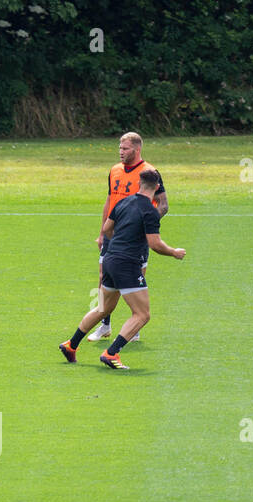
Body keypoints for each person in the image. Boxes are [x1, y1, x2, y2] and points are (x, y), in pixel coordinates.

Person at [58, 169, 185, 371]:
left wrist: (121, 238)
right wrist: (174, 252)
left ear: (138, 184)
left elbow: (107, 229)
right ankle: (111, 353)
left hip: (110, 259)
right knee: (142, 314)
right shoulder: (150, 211)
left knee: (103, 308)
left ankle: (71, 345)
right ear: (158, 187)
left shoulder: (123, 202)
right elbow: (155, 244)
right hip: (127, 265)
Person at [89, 132, 165, 343]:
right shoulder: (114, 170)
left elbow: (164, 204)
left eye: (125, 149)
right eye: (120, 148)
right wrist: (102, 233)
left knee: (135, 276)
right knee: (104, 278)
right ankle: (105, 325)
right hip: (113, 234)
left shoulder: (149, 172)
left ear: (137, 149)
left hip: (135, 239)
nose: (121, 152)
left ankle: (135, 327)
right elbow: (109, 200)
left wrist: (142, 225)